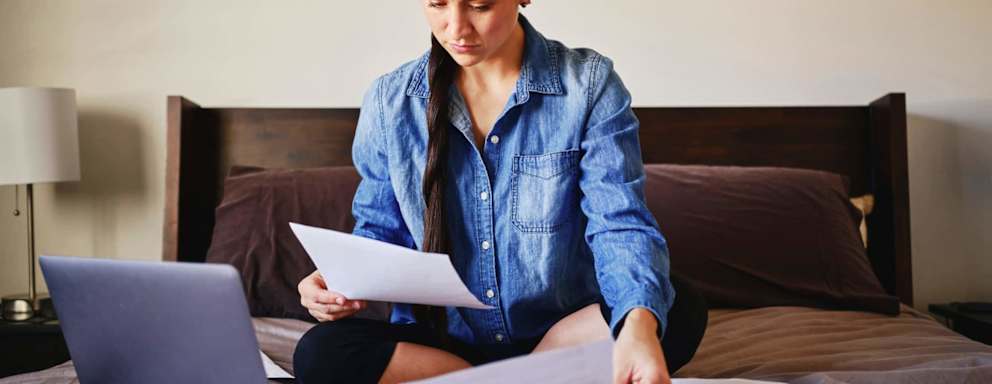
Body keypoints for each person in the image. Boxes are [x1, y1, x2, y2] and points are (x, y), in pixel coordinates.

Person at [293, 1, 707, 383]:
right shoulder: (389, 102)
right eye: (437, 3)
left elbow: (619, 223)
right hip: (441, 343)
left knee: (672, 306)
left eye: (479, 5)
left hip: (561, 332)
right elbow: (380, 233)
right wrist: (337, 281)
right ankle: (527, 379)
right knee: (318, 353)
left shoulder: (589, 85)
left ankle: (503, 376)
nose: (456, 27)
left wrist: (636, 323)